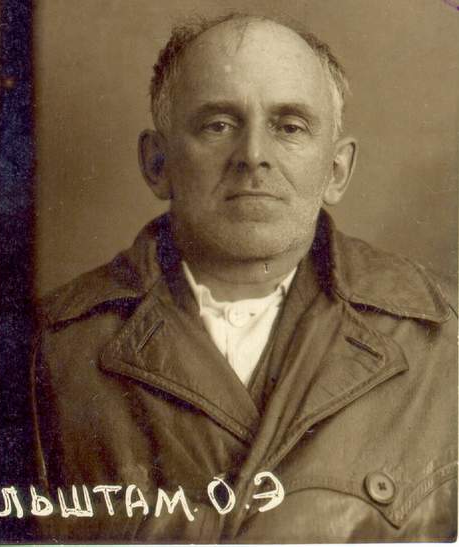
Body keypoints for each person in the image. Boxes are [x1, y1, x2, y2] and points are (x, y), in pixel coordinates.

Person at [31, 13, 457, 542]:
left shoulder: (446, 340)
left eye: (289, 127)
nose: (253, 156)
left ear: (337, 170)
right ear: (158, 163)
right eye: (218, 125)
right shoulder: (50, 351)